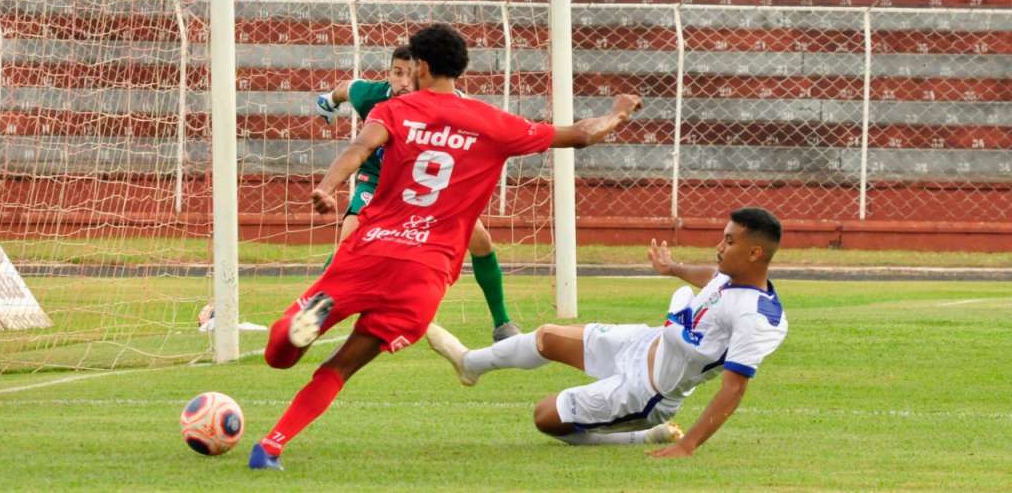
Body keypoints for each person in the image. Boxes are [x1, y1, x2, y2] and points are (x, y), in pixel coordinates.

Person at [248, 23, 643, 470]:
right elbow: (581, 134)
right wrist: (618, 113)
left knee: (279, 356)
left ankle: (296, 332)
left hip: (371, 249)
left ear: (421, 66)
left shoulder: (397, 110)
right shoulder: (494, 123)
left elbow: (359, 147)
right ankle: (270, 447)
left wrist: (326, 187)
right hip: (424, 275)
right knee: (341, 367)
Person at [425, 207, 788, 458]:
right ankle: (470, 364)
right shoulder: (729, 275)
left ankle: (638, 435)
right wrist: (672, 268)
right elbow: (711, 278)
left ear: (755, 252)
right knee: (547, 337)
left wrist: (688, 445)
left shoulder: (757, 318)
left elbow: (734, 388)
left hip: (647, 391)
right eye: (723, 238)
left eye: (729, 241)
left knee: (546, 417)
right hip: (645, 342)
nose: (719, 247)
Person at [313, 45, 520, 341]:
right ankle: (313, 314)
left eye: (411, 75)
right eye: (397, 73)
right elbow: (346, 88)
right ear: (388, 74)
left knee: (479, 238)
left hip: (426, 188)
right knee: (350, 236)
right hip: (377, 181)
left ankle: (503, 323)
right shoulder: (372, 95)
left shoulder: (451, 104)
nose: (404, 83)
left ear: (425, 75)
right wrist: (328, 101)